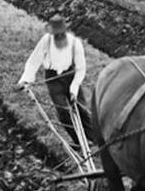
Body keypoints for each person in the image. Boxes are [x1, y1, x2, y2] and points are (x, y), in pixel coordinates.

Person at [16, 15, 91, 151]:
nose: (59, 37)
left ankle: (94, 139)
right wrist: (25, 79)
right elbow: (34, 60)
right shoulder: (46, 41)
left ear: (65, 31)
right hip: (53, 80)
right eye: (56, 34)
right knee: (63, 111)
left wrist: (74, 89)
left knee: (81, 109)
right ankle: (78, 141)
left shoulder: (75, 43)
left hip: (71, 76)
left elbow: (81, 69)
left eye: (61, 34)